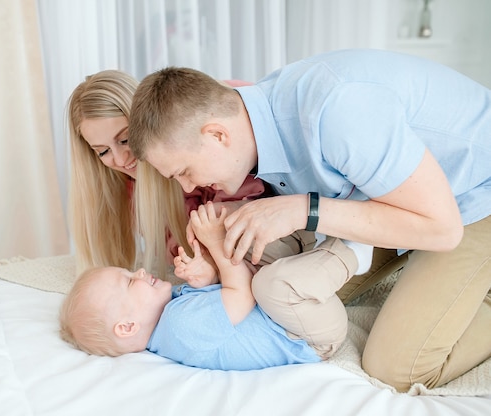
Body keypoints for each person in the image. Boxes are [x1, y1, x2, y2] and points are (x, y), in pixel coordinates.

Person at [126, 49, 491, 391]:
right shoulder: (252, 113)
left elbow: (443, 229)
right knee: (278, 297)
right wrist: (244, 215)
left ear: (217, 135)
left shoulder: (338, 111)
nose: (189, 186)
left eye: (184, 171)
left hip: (468, 201)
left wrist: (304, 210)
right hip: (391, 201)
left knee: (395, 369)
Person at [60, 202, 365, 370]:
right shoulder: (179, 328)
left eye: (130, 271)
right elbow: (241, 295)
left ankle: (311, 239)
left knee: (249, 250)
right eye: (129, 281)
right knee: (271, 284)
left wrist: (206, 274)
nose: (139, 271)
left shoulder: (171, 311)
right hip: (307, 337)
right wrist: (215, 244)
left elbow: (222, 292)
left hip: (289, 318)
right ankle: (353, 250)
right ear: (127, 326)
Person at [66, 70, 283, 282]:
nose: (121, 160)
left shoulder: (206, 151)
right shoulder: (130, 190)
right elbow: (181, 251)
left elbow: (235, 233)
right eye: (102, 151)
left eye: (125, 140)